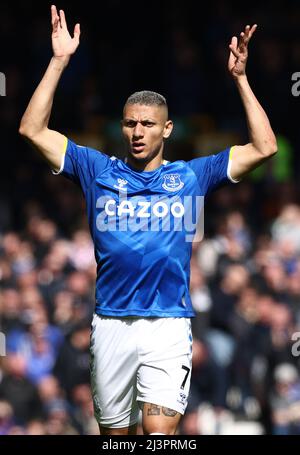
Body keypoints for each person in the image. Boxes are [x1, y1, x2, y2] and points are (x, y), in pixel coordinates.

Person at [19, 5, 277, 435]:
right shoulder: (96, 170)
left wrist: (241, 80)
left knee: (159, 438)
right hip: (111, 322)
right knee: (116, 439)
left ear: (168, 129)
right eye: (130, 124)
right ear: (122, 128)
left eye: (148, 124)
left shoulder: (192, 176)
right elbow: (31, 129)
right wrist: (59, 61)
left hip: (168, 324)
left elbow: (265, 147)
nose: (138, 132)